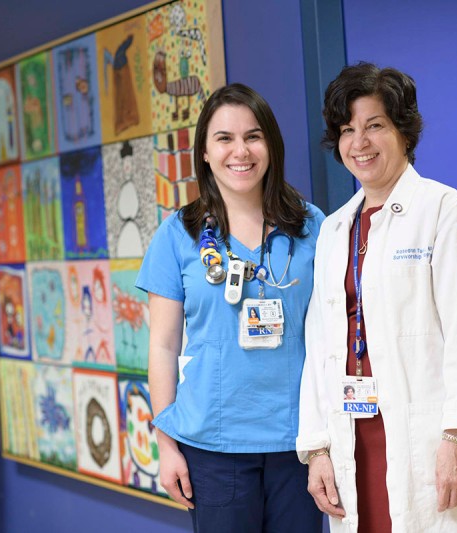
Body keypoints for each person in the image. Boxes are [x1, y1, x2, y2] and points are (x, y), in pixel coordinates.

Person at [297, 63, 457, 532]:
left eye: (374, 125)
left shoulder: (447, 212)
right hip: (354, 437)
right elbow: (319, 346)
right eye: (347, 130)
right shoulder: (334, 229)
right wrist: (317, 448)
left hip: (430, 434)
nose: (359, 143)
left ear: (403, 130)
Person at [136, 83, 324, 532]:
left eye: (253, 136)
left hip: (300, 442)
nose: (240, 151)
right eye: (224, 138)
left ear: (271, 146)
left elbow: (332, 335)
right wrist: (165, 444)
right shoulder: (178, 234)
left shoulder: (312, 226)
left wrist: (325, 445)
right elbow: (162, 347)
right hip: (213, 447)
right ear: (204, 151)